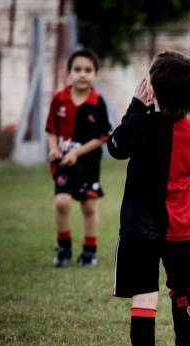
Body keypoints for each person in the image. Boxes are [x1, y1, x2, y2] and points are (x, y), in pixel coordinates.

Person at [107, 51, 190, 346]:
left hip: (140, 227)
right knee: (182, 289)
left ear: (153, 91)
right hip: (180, 228)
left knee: (144, 298)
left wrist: (136, 105)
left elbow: (115, 146)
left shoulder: (142, 126)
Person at [46, 49, 111, 268]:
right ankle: (63, 248)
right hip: (64, 163)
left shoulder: (97, 102)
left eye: (88, 70)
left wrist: (77, 152)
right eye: (77, 69)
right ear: (69, 73)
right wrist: (54, 149)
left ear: (96, 74)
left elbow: (103, 136)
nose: (82, 74)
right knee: (61, 202)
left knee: (89, 207)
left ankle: (89, 251)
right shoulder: (59, 99)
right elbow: (51, 129)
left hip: (89, 164)